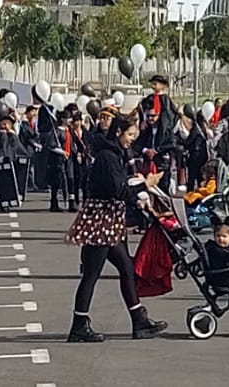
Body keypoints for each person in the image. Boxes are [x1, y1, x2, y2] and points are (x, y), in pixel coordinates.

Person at [63, 114, 166, 343]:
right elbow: (118, 190)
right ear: (118, 132)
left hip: (109, 220)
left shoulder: (112, 153)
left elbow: (118, 185)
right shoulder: (108, 156)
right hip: (102, 221)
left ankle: (138, 319)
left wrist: (136, 184)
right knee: (91, 273)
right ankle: (79, 325)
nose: (131, 140)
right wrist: (145, 184)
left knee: (126, 268)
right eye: (130, 135)